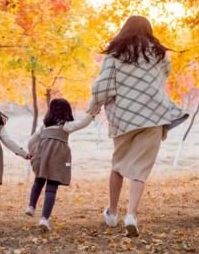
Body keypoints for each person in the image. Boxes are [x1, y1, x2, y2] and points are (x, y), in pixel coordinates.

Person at [88, 15, 188, 236]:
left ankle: (112, 213)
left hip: (125, 118)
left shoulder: (115, 56)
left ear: (124, 31)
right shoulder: (160, 55)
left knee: (118, 164)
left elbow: (102, 87)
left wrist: (93, 107)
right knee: (140, 169)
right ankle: (131, 215)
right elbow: (166, 74)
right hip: (153, 116)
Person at [26, 98, 96, 232]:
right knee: (51, 189)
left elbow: (31, 141)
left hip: (42, 158)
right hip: (57, 160)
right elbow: (82, 123)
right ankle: (44, 219)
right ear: (66, 112)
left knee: (38, 182)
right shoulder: (65, 125)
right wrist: (91, 114)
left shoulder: (44, 127)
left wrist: (31, 153)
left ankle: (31, 206)